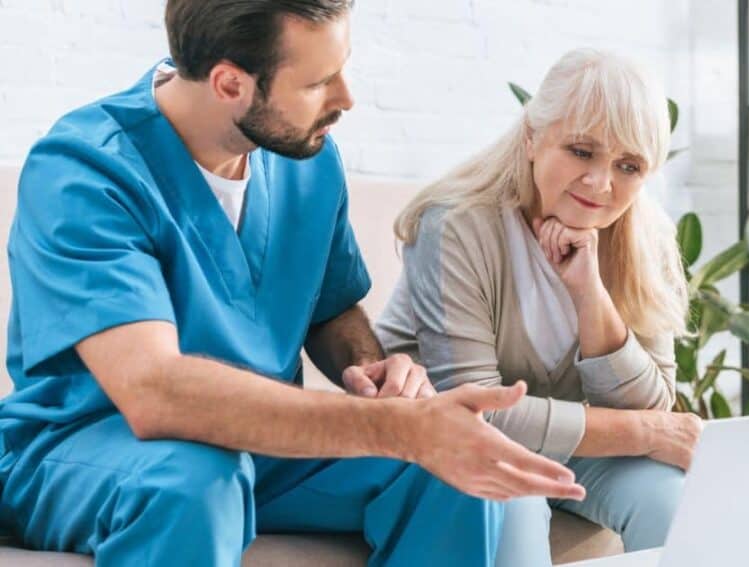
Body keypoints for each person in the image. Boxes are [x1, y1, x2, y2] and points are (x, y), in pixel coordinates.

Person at [0, 2, 584, 565]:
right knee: (194, 481)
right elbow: (155, 393)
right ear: (230, 84)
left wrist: (372, 371)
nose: (346, 98)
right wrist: (396, 429)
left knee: (448, 468)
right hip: (86, 449)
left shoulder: (306, 156)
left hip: (259, 447)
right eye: (317, 83)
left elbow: (329, 308)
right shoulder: (84, 172)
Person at [376, 48, 703, 567]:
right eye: (580, 151)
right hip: (454, 445)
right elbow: (477, 410)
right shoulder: (455, 224)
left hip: (580, 451)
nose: (601, 183)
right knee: (513, 497)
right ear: (532, 137)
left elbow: (654, 403)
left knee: (675, 500)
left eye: (628, 166)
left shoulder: (649, 236)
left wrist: (589, 294)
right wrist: (642, 433)